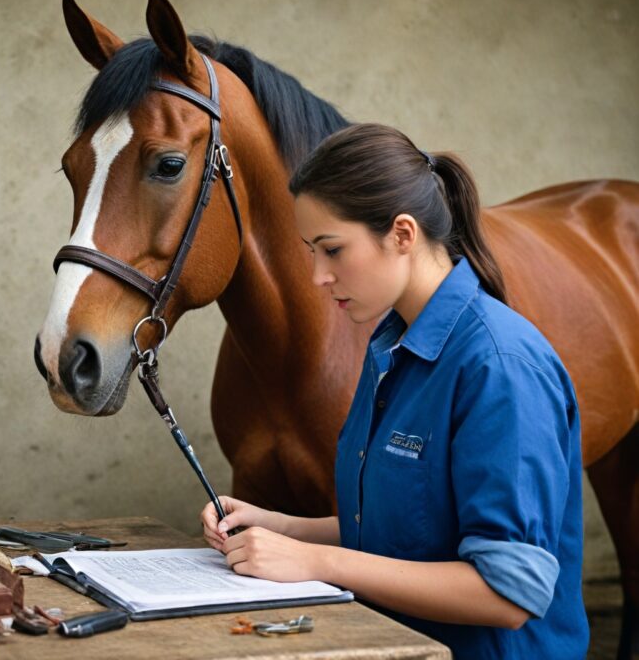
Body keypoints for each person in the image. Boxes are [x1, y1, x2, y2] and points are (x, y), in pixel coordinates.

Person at [200, 123, 589, 659]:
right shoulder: (391, 348)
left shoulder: (499, 366)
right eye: (311, 251)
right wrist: (281, 528)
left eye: (332, 250)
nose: (317, 275)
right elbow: (408, 529)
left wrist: (316, 563)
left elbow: (509, 590)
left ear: (402, 234)